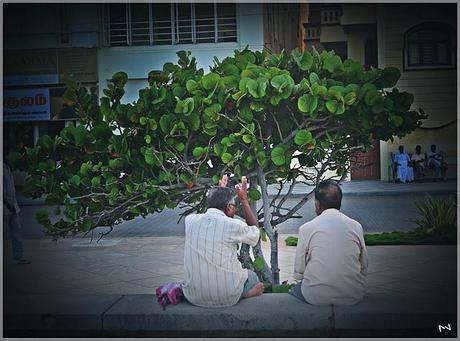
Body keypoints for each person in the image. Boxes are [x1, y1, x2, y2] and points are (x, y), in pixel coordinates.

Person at [182, 175, 264, 307]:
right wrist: (243, 200)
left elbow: (212, 216)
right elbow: (255, 232)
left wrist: (220, 192)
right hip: (226, 298)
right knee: (253, 277)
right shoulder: (233, 225)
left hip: (193, 296)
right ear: (229, 207)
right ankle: (244, 294)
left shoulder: (190, 220)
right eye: (233, 206)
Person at [290, 180, 368, 305]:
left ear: (317, 205)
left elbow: (299, 273)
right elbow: (364, 266)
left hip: (315, 296)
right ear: (340, 202)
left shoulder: (306, 228)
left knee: (294, 290)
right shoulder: (355, 226)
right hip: (353, 294)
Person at [3, 162, 30, 264]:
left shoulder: (8, 167)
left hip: (13, 205)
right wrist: (9, 205)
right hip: (5, 207)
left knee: (16, 231)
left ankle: (19, 257)